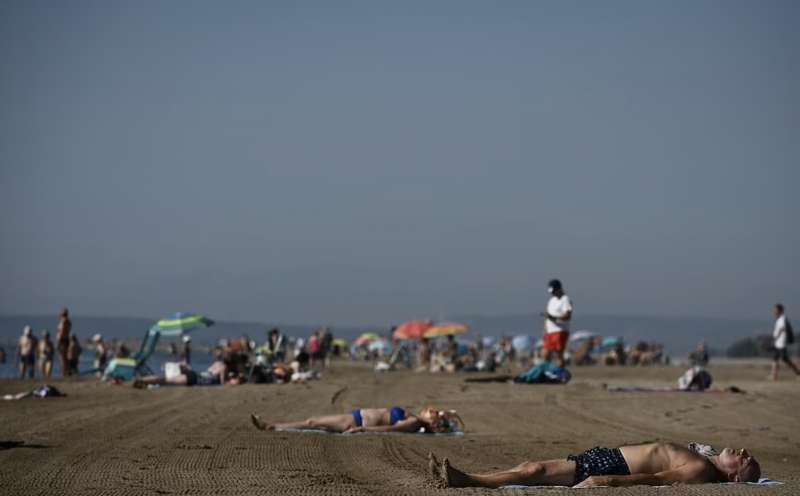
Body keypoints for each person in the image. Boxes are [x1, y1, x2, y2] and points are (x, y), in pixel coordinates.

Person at [429, 441, 760, 488]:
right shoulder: (705, 456)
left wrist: (609, 481)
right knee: (533, 466)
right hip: (611, 456)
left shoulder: (702, 470)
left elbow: (658, 478)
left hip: (614, 467)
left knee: (535, 472)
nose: (742, 451)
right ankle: (473, 477)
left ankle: (467, 480)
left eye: (744, 459)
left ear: (734, 476)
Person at [249, 406, 464, 434]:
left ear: (433, 421)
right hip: (357, 415)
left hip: (357, 422)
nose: (430, 409)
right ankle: (273, 426)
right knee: (312, 420)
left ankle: (272, 427)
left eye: (434, 412)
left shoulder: (415, 423)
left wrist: (362, 431)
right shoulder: (414, 416)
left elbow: (390, 429)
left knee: (312, 422)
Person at [541, 279, 572, 368]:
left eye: (554, 291)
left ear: (559, 289)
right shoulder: (551, 300)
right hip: (550, 331)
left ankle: (561, 374)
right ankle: (546, 372)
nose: (552, 293)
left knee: (559, 354)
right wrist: (545, 328)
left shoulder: (565, 299)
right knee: (545, 354)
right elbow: (547, 315)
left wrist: (553, 318)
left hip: (560, 331)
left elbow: (568, 316)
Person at [770, 303, 799, 381]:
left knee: (785, 359)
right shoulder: (779, 319)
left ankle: (798, 373)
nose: (774, 312)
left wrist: (776, 338)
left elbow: (782, 329)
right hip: (777, 343)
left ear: (780, 311)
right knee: (775, 358)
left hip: (781, 343)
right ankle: (774, 376)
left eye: (775, 310)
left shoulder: (783, 319)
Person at [56, 308, 72, 377]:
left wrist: (58, 340)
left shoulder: (64, 321)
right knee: (65, 358)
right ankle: (66, 372)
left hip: (62, 340)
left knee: (62, 358)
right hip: (65, 340)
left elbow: (62, 331)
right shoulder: (68, 321)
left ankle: (64, 373)